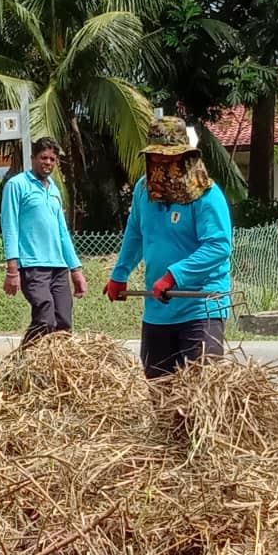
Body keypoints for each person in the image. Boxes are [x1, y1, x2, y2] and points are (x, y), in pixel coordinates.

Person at [104, 116, 233, 378]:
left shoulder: (207, 194)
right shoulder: (143, 190)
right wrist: (120, 274)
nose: (163, 164)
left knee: (201, 393)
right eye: (157, 158)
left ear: (185, 156)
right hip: (159, 310)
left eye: (170, 159)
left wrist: (174, 275)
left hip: (200, 306)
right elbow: (136, 234)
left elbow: (218, 246)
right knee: (160, 393)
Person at [1, 136, 88, 346]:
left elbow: (62, 232)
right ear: (33, 158)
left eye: (52, 159)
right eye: (43, 157)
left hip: (58, 267)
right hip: (33, 266)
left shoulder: (54, 190)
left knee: (63, 324)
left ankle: (57, 369)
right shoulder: (17, 185)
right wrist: (12, 270)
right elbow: (9, 226)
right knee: (45, 317)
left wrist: (76, 270)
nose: (48, 162)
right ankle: (25, 362)